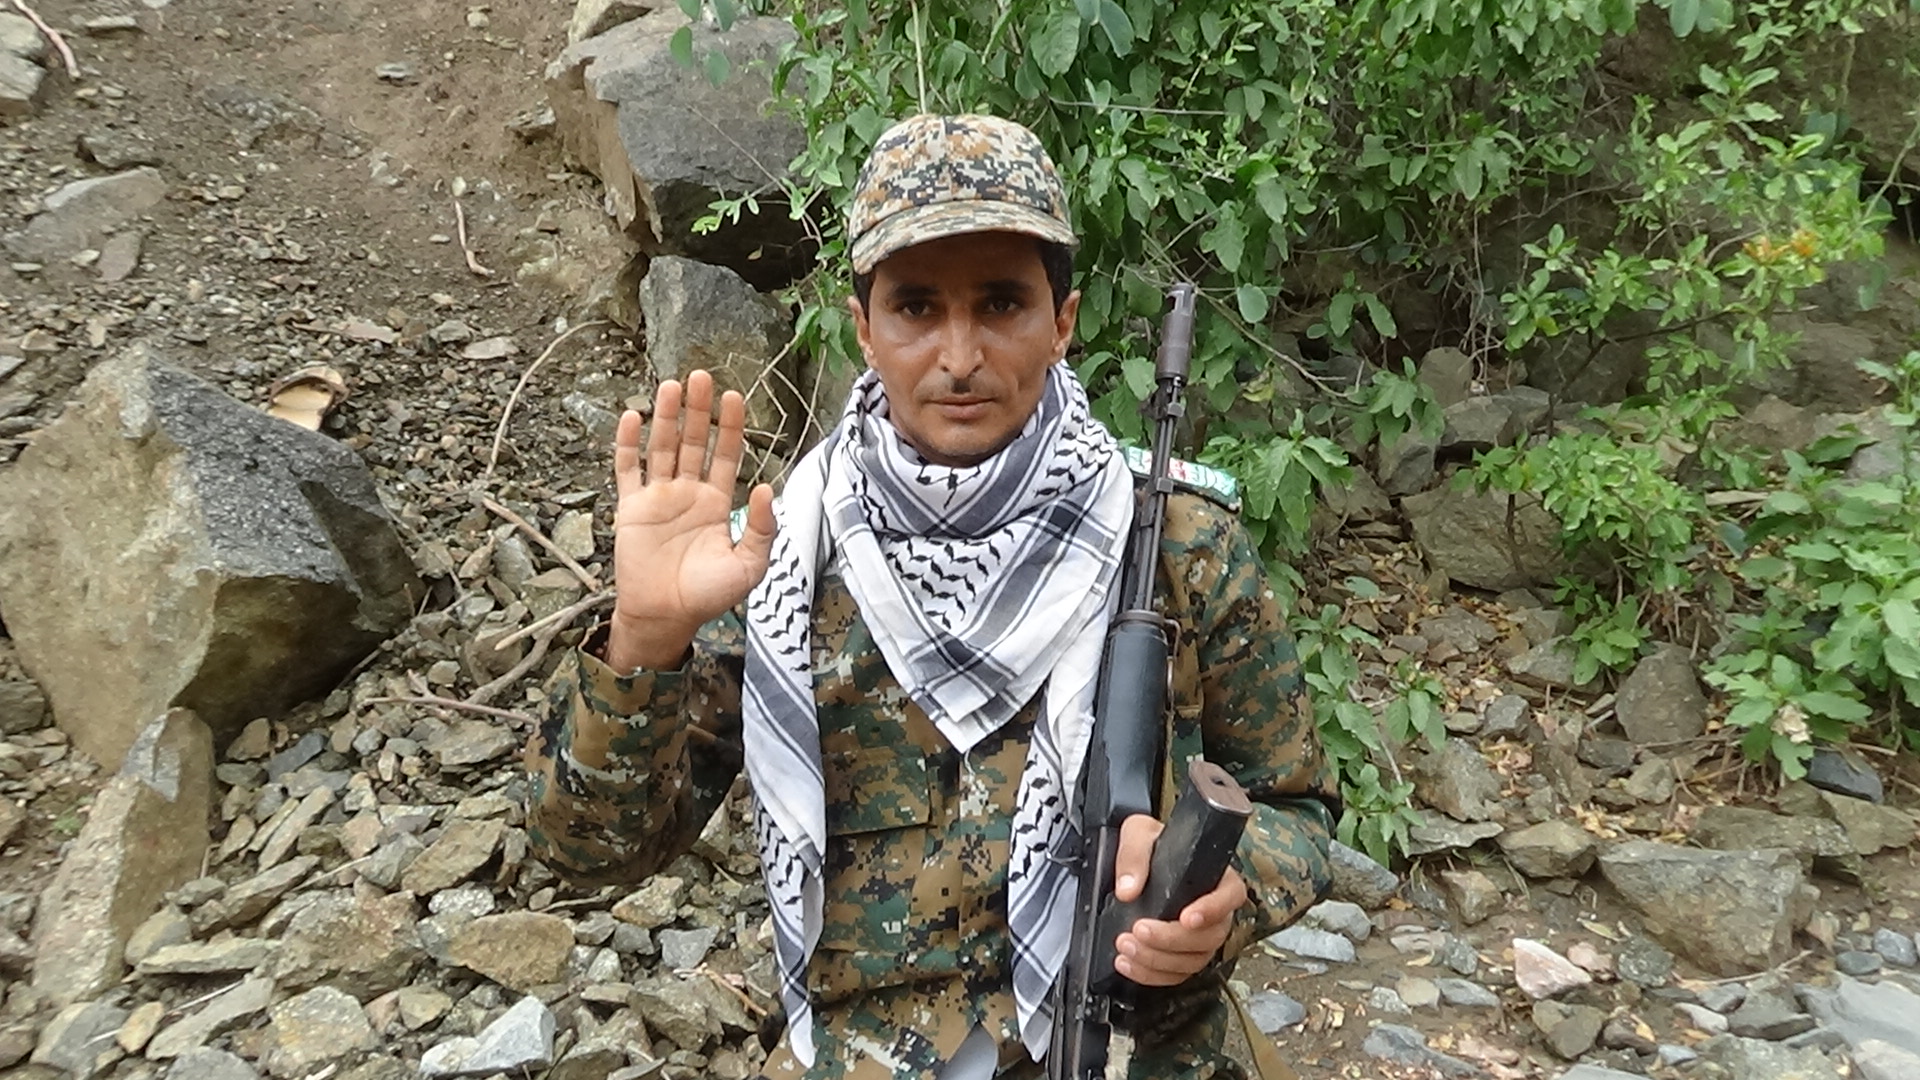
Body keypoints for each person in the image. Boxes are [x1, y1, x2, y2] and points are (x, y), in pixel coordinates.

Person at [525, 113, 1337, 1080]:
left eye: (1001, 304)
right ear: (864, 329)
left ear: (1062, 322)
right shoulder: (777, 560)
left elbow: (1296, 808)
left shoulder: (1175, 542)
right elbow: (591, 857)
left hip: (1137, 1046)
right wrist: (644, 638)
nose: (958, 356)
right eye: (916, 308)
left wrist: (1223, 895)